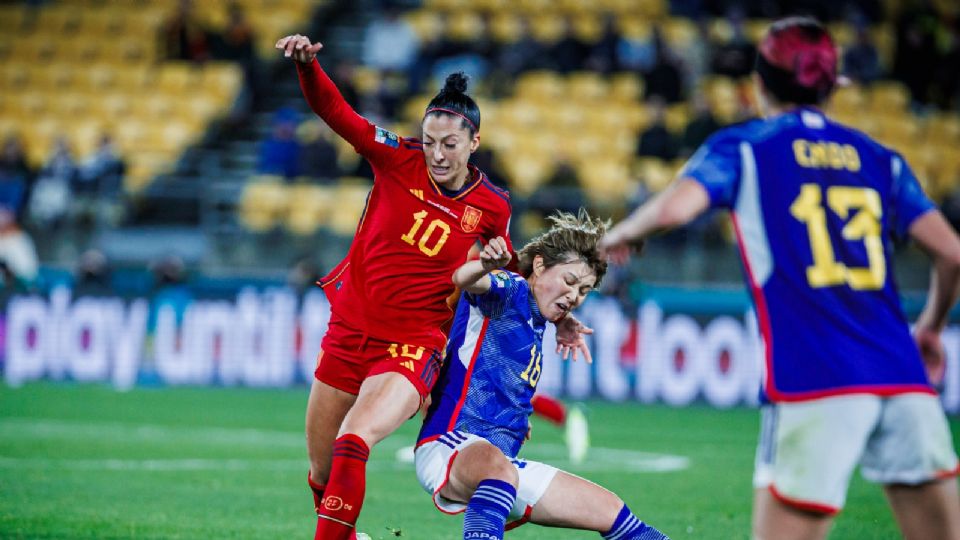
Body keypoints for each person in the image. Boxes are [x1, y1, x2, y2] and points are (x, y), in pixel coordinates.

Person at [600, 17, 960, 540]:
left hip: (815, 379)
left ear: (758, 84)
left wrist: (625, 232)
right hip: (902, 377)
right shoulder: (881, 159)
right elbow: (951, 253)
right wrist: (928, 326)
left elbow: (677, 209)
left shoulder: (746, 148)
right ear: (834, 86)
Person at [275, 34, 592, 540]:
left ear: (474, 143)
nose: (437, 155)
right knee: (321, 471)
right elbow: (335, 112)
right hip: (348, 331)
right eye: (429, 142)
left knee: (354, 441)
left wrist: (560, 311)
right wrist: (308, 68)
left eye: (449, 145)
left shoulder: (494, 206)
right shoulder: (395, 158)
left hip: (413, 342)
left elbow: (512, 274)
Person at [416, 211, 669, 540]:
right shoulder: (509, 290)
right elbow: (464, 278)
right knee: (497, 472)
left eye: (585, 290)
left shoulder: (538, 320)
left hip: (499, 462)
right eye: (569, 281)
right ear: (538, 266)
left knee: (612, 511)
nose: (574, 296)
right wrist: (486, 264)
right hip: (449, 444)